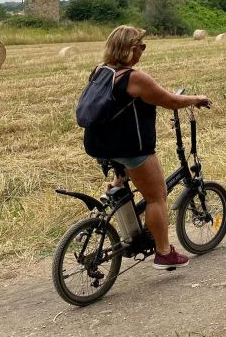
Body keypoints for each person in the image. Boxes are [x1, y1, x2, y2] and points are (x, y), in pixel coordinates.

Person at [83, 25, 211, 270]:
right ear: (128, 49)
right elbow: (170, 101)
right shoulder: (134, 78)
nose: (143, 50)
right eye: (140, 46)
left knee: (127, 181)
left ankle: (117, 189)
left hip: (98, 143)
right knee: (157, 196)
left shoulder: (101, 71)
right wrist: (197, 99)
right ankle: (164, 253)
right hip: (129, 146)